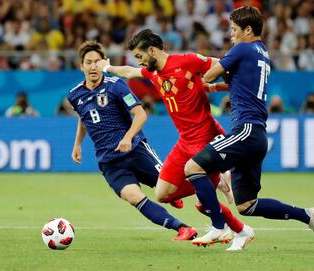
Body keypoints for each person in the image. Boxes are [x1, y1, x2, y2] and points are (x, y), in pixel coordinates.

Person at [184, 6, 314, 251]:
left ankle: (219, 227)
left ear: (248, 30)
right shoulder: (262, 53)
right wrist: (216, 85)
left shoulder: (242, 48)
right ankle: (308, 216)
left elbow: (209, 75)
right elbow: (236, 84)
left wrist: (190, 73)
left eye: (234, 29)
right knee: (246, 205)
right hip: (257, 134)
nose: (231, 35)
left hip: (246, 130)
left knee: (192, 167)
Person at [96, 29, 253, 250]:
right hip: (184, 141)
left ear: (152, 50)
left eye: (140, 56)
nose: (138, 61)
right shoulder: (153, 73)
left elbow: (223, 64)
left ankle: (226, 226)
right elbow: (130, 72)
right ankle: (218, 186)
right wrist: (106, 67)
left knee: (202, 198)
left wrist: (227, 85)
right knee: (162, 194)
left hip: (205, 136)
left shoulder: (187, 61)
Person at [67, 40, 197, 241]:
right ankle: (182, 228)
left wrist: (128, 138)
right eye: (89, 62)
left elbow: (140, 115)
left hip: (136, 150)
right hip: (109, 161)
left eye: (97, 61)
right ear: (81, 66)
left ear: (104, 63)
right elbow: (84, 118)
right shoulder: (75, 95)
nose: (93, 66)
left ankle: (213, 189)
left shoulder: (116, 86)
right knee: (134, 197)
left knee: (173, 188)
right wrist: (77, 144)